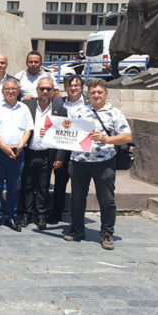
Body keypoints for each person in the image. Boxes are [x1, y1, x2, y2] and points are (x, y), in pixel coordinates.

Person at [64, 78, 132, 250]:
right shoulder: (78, 111)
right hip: (79, 161)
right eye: (92, 92)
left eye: (99, 92)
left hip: (104, 162)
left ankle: (107, 232)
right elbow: (65, 131)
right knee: (77, 198)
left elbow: (127, 137)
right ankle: (77, 229)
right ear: (88, 94)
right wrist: (48, 132)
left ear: (106, 94)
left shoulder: (115, 113)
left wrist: (106, 139)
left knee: (106, 199)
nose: (96, 95)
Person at [20, 77, 67, 230]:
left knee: (43, 185)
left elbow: (63, 135)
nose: (45, 91)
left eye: (48, 89)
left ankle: (41, 214)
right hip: (29, 152)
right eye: (42, 89)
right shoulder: (27, 105)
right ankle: (27, 213)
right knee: (27, 184)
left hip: (47, 154)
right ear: (37, 90)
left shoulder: (60, 110)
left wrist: (59, 157)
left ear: (53, 91)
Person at [0, 79, 33, 232]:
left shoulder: (24, 108)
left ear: (18, 91)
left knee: (13, 187)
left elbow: (28, 130)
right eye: (7, 88)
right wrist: (3, 147)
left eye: (14, 89)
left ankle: (11, 216)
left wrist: (20, 147)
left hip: (17, 153)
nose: (10, 91)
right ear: (2, 91)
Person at [51, 74, 89, 224]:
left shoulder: (89, 102)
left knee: (79, 186)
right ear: (65, 88)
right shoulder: (58, 102)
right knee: (60, 183)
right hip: (63, 149)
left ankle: (77, 216)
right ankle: (56, 212)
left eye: (76, 85)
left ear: (81, 87)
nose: (73, 88)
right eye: (70, 85)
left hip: (82, 149)